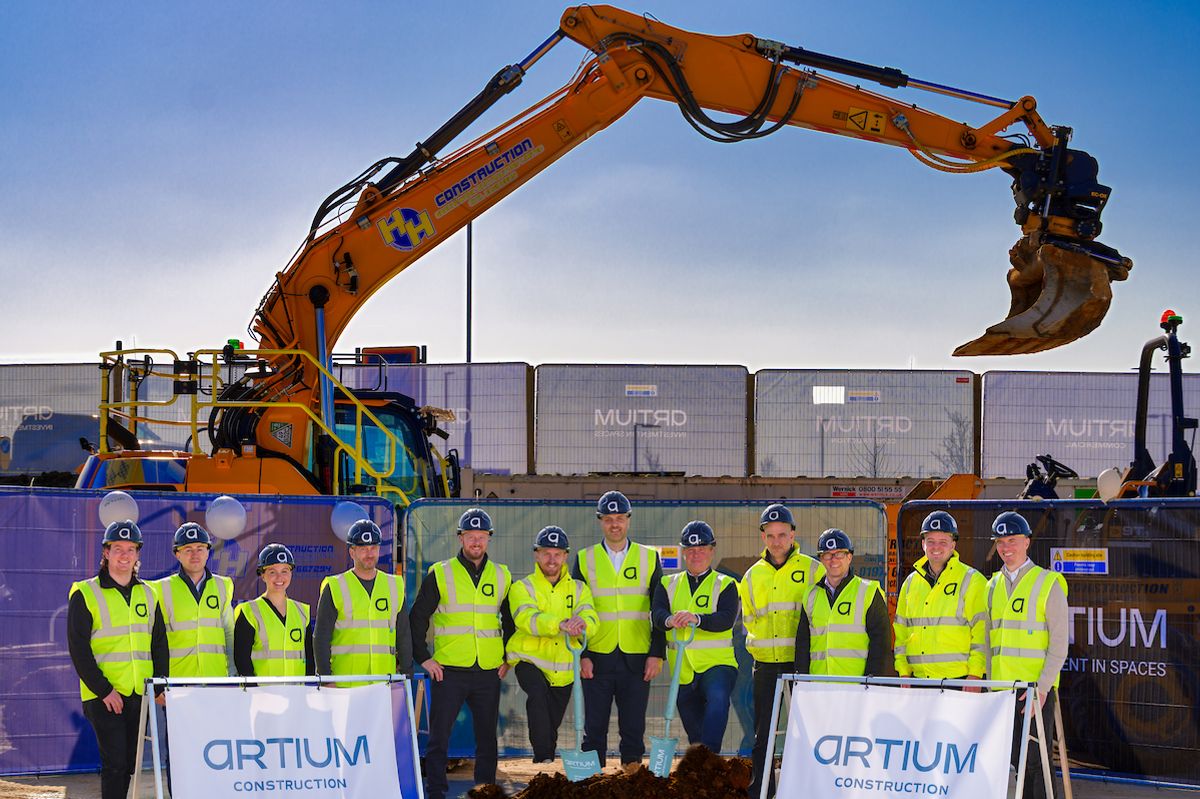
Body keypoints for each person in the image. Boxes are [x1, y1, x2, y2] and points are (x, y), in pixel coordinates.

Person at [410, 508, 512, 799]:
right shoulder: (441, 574)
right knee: (439, 739)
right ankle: (436, 793)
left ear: (489, 539)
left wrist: (508, 657)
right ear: (461, 538)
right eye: (470, 536)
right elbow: (417, 617)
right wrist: (424, 657)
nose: (476, 542)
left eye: (481, 536)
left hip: (488, 672)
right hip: (449, 670)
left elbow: (512, 619)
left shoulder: (502, 575)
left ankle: (484, 793)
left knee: (487, 742)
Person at [67, 520, 168, 799]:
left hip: (139, 692)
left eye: (131, 549)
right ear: (106, 552)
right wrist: (104, 690)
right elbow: (79, 648)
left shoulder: (149, 593)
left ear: (138, 554)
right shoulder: (85, 593)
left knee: (130, 765)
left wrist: (159, 687)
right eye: (118, 548)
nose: (125, 555)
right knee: (115, 764)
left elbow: (158, 642)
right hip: (104, 695)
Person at [571, 490, 665, 771]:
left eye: (620, 518)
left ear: (628, 520)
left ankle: (632, 781)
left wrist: (657, 653)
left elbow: (660, 610)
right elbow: (576, 611)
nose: (615, 524)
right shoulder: (584, 558)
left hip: (637, 657)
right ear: (600, 521)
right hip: (596, 657)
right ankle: (591, 782)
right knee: (594, 729)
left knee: (633, 730)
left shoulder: (648, 558)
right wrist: (582, 654)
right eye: (609, 518)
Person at [738, 503, 824, 799]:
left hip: (801, 664)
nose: (777, 541)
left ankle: (805, 789)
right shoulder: (751, 576)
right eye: (770, 535)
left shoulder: (813, 569)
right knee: (763, 735)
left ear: (793, 535)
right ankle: (762, 791)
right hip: (765, 666)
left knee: (805, 731)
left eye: (782, 535)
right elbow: (749, 619)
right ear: (763, 537)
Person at [987, 511, 1068, 799]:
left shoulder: (1048, 583)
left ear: (1027, 542)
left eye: (1012, 540)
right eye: (1000, 542)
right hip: (1001, 693)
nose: (1006, 548)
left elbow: (1059, 642)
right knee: (1013, 764)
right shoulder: (991, 586)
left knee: (1036, 763)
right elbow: (989, 644)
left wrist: (1043, 688)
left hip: (1034, 693)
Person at [504, 526, 598, 763]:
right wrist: (561, 624)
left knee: (551, 721)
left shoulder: (579, 588)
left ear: (566, 556)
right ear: (536, 554)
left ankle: (546, 763)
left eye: (557, 554)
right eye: (546, 553)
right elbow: (527, 619)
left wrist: (582, 624)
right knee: (537, 696)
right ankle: (543, 758)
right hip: (530, 660)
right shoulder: (522, 587)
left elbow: (592, 617)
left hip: (564, 668)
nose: (552, 559)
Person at [651, 521, 738, 753]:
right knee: (693, 726)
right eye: (690, 550)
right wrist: (669, 620)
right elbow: (657, 614)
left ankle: (708, 756)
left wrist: (696, 618)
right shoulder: (667, 584)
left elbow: (726, 619)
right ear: (683, 552)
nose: (696, 554)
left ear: (712, 550)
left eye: (702, 548)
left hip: (717, 665)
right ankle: (702, 769)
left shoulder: (725, 584)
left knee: (718, 699)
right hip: (683, 669)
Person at [893, 511, 987, 687]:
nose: (936, 547)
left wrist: (975, 674)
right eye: (931, 542)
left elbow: (981, 632)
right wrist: (903, 671)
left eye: (943, 542)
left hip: (960, 681)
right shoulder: (910, 583)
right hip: (918, 681)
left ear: (953, 544)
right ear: (923, 544)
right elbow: (901, 631)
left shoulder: (973, 580)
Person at [314, 518, 412, 681]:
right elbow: (321, 637)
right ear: (352, 552)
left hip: (383, 682)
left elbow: (403, 635)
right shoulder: (335, 586)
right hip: (345, 683)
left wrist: (405, 676)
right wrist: (325, 678)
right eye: (363, 548)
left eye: (374, 547)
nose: (369, 553)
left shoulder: (394, 585)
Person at [795, 528, 892, 677]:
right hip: (818, 687)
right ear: (821, 559)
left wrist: (872, 683)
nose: (833, 560)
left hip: (856, 687)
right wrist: (801, 681)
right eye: (827, 555)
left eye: (839, 554)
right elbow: (803, 643)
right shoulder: (810, 595)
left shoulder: (868, 591)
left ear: (849, 557)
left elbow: (881, 643)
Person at [154, 522, 235, 678]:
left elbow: (229, 632)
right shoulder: (161, 589)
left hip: (215, 678)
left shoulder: (223, 585)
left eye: (200, 549)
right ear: (177, 554)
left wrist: (232, 671)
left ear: (207, 552)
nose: (195, 554)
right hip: (177, 680)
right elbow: (156, 639)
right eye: (188, 549)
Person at [235, 543, 314, 677]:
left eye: (285, 571)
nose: (279, 577)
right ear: (263, 575)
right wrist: (255, 692)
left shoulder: (302, 612)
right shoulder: (249, 612)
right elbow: (241, 659)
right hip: (263, 693)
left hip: (296, 693)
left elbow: (310, 658)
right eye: (272, 572)